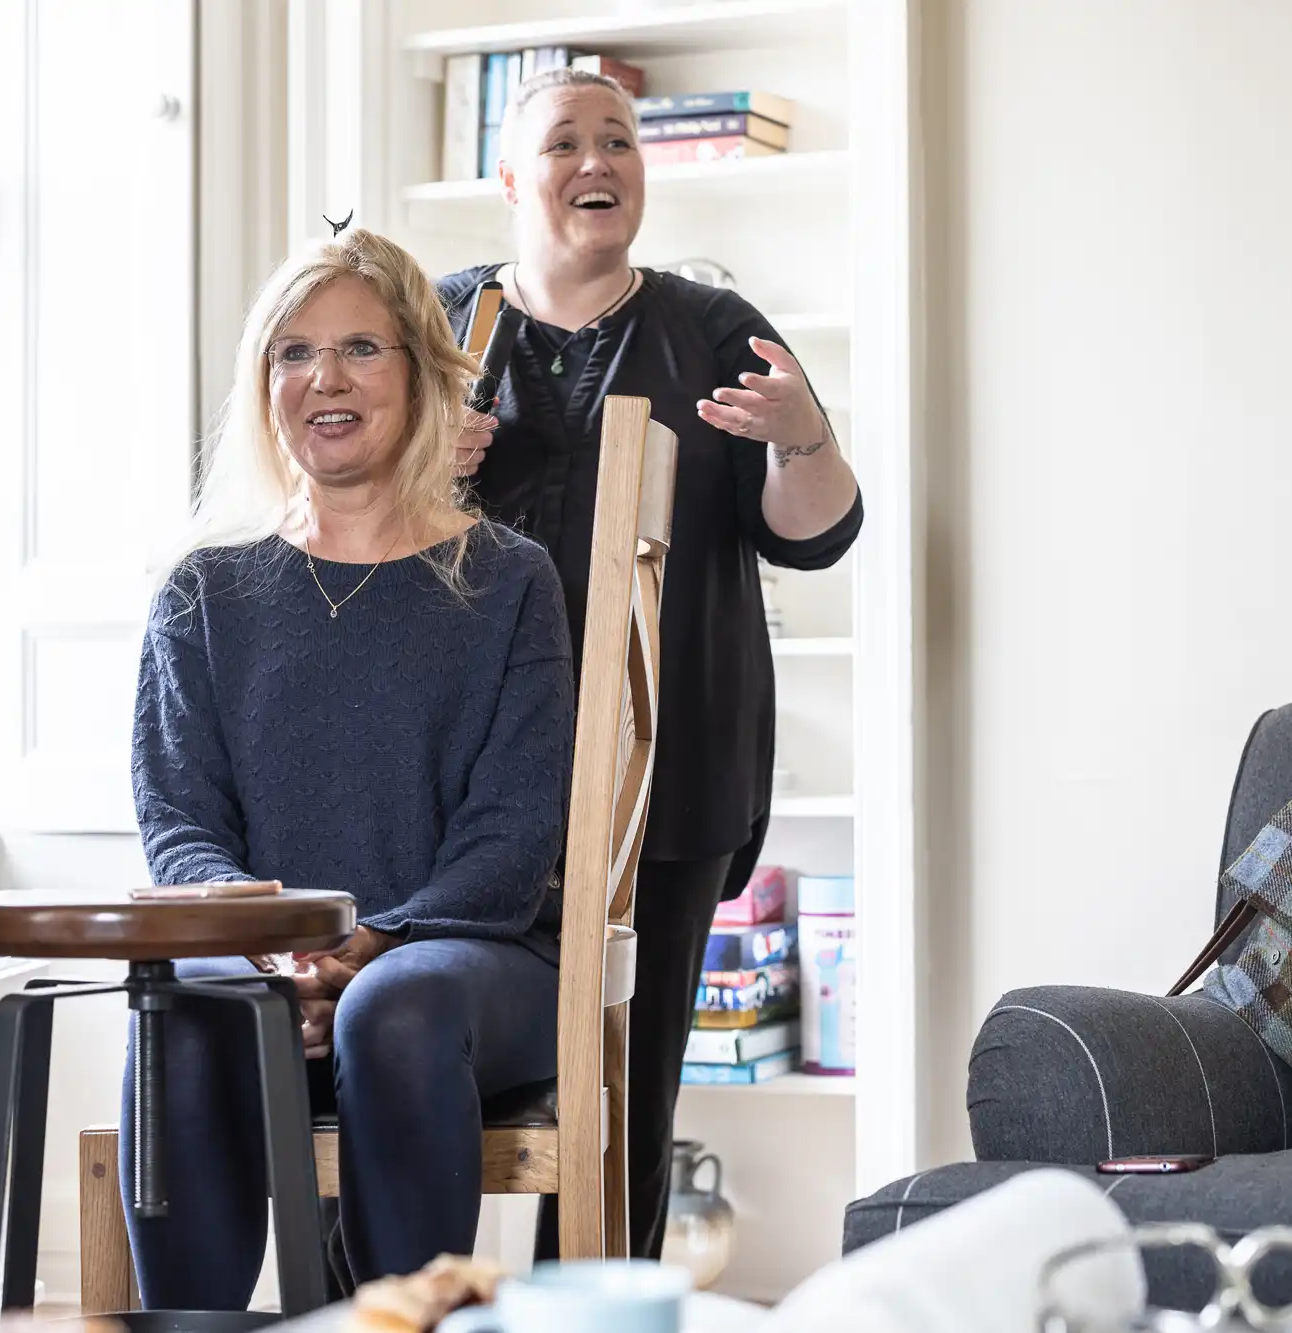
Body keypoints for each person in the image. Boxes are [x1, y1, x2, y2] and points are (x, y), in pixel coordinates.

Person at [436, 66, 865, 1260]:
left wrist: (802, 436)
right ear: (510, 177)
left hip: (666, 778)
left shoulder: (715, 330)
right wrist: (423, 462)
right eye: (564, 141)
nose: (596, 162)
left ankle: (597, 1301)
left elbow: (814, 532)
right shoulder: (434, 328)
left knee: (624, 1094)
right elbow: (340, 522)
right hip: (460, 791)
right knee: (425, 1067)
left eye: (618, 140)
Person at [123, 226, 575, 1304]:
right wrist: (273, 948)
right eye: (292, 351)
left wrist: (369, 943)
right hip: (268, 968)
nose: (324, 376)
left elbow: (510, 838)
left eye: (361, 349)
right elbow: (178, 819)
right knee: (182, 1009)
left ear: (420, 374)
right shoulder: (202, 591)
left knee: (395, 1006)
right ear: (263, 382)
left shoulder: (509, 581)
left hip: (470, 958)